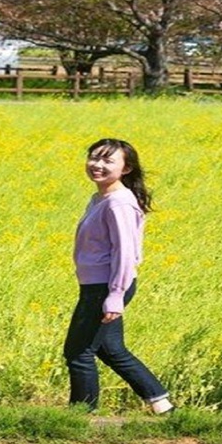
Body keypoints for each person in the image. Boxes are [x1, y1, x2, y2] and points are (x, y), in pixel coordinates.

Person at [63, 138, 174, 415]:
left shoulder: (119, 203)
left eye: (107, 161)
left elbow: (125, 253)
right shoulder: (101, 197)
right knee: (111, 349)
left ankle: (80, 415)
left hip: (106, 286)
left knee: (78, 352)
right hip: (98, 285)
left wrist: (115, 295)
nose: (97, 165)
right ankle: (161, 405)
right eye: (93, 158)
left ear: (126, 169)